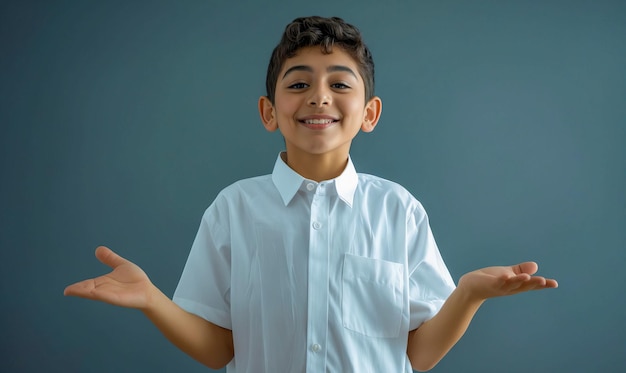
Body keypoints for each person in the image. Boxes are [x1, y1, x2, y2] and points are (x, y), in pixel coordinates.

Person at [64, 16, 558, 372]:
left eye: (340, 84)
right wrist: (152, 299)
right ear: (268, 111)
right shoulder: (233, 210)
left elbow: (419, 354)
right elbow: (218, 350)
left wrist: (469, 293)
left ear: (369, 113)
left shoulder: (398, 211)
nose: (319, 96)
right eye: (298, 83)